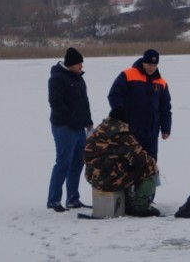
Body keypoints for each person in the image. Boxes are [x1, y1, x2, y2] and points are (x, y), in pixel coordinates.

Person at [84, 107, 160, 217]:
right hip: (111, 180)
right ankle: (140, 206)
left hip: (92, 178)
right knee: (150, 167)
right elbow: (142, 160)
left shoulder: (97, 132)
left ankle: (126, 202)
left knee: (122, 167)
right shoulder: (123, 136)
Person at [47, 47, 93, 212]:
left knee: (77, 163)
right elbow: (56, 103)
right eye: (79, 63)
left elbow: (84, 102)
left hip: (79, 127)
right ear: (70, 64)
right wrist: (72, 117)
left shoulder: (79, 78)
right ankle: (53, 200)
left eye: (82, 63)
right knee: (63, 163)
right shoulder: (57, 79)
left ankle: (73, 199)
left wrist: (88, 122)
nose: (81, 66)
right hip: (63, 127)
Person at [107, 49, 172, 162]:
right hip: (131, 133)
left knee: (150, 167)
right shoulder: (128, 75)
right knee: (130, 166)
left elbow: (165, 107)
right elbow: (114, 95)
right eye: (149, 64)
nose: (151, 68)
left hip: (151, 134)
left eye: (154, 65)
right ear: (143, 62)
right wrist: (120, 115)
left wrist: (166, 128)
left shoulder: (161, 83)